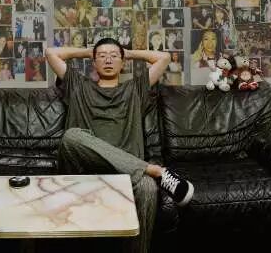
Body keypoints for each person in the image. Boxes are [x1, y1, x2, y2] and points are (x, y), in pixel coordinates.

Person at [46, 39, 191, 253]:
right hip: (84, 172)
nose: (108, 60)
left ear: (123, 63)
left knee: (148, 187)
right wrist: (89, 51)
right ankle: (154, 170)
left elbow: (164, 57)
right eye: (102, 56)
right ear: (93, 62)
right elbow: (51, 53)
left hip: (125, 175)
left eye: (114, 56)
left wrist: (127, 53)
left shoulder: (135, 89)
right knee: (71, 136)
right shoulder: (78, 85)